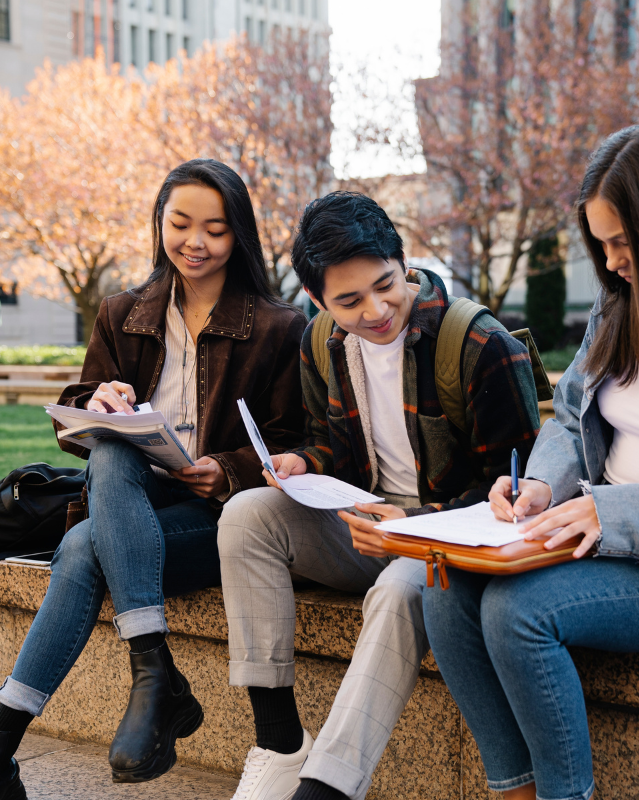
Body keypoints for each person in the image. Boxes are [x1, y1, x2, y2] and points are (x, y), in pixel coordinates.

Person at [422, 123, 639, 800]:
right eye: (602, 243)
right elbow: (569, 418)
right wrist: (538, 487)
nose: (612, 262)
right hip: (606, 539)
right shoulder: (619, 308)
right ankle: (516, 791)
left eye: (624, 242)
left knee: (516, 613)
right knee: (442, 592)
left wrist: (611, 513)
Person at [0, 159, 307, 800]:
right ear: (159, 224)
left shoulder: (278, 326)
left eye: (214, 229)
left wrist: (232, 470)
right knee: (110, 448)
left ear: (239, 235)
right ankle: (153, 672)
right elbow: (75, 416)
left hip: (219, 518)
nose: (195, 241)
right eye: (179, 223)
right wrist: (97, 401)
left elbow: (295, 442)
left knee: (81, 546)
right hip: (134, 500)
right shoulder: (123, 312)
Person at [217, 191, 542, 800]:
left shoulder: (478, 344)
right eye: (348, 301)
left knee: (397, 588)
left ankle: (328, 787)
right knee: (245, 515)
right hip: (366, 530)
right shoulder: (321, 343)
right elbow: (328, 445)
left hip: (448, 545)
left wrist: (417, 522)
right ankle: (279, 743)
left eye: (385, 285)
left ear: (402, 260)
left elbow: (519, 491)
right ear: (316, 299)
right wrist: (301, 462)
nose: (376, 310)